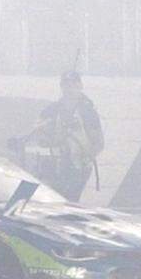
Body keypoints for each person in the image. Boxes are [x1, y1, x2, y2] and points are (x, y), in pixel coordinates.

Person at [19, 71, 104, 202]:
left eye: (73, 85)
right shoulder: (51, 110)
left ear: (80, 86)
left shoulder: (88, 112)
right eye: (66, 85)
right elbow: (37, 134)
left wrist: (85, 159)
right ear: (61, 87)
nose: (69, 89)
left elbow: (99, 142)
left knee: (69, 200)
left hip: (79, 167)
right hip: (56, 166)